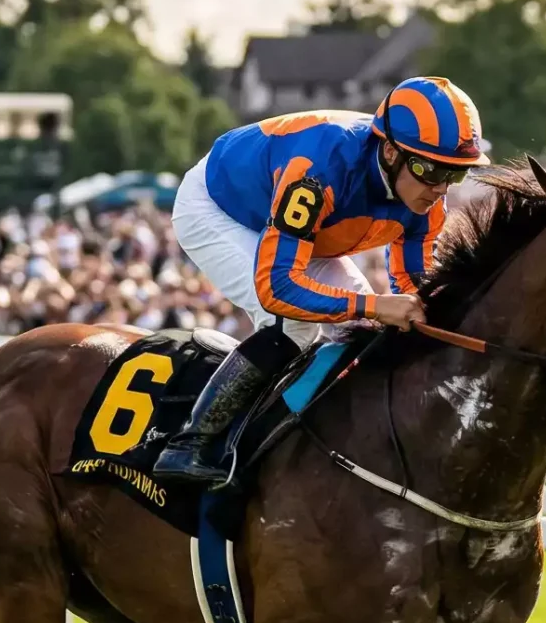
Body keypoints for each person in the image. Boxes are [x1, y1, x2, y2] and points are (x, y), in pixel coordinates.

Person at [155, 77, 488, 484]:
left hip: (291, 228)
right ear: (390, 151)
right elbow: (277, 289)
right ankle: (190, 443)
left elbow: (411, 287)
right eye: (429, 169)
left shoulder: (425, 200)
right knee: (295, 321)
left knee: (361, 329)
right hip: (218, 208)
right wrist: (376, 305)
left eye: (454, 175)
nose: (438, 189)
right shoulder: (319, 172)